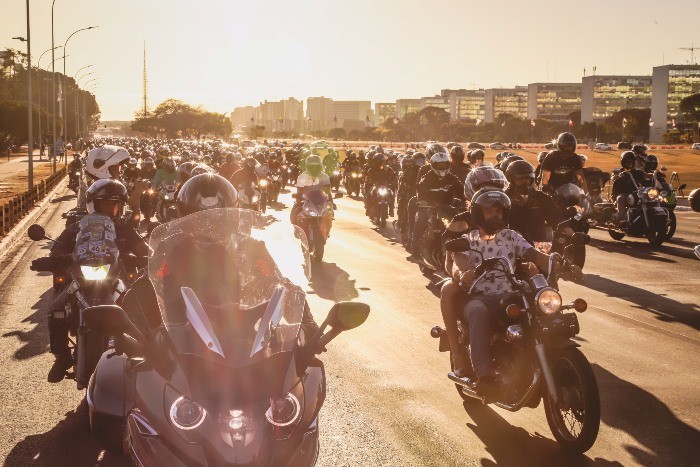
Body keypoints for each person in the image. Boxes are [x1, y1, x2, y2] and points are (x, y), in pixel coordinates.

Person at [447, 189, 551, 397]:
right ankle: (485, 376)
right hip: (481, 297)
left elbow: (532, 253)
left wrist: (554, 262)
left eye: (499, 211)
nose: (496, 215)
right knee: (477, 311)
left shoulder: (511, 236)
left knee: (540, 307)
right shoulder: (469, 240)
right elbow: (458, 263)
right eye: (490, 211)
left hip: (511, 294)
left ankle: (535, 361)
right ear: (478, 214)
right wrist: (463, 273)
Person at [46, 179, 149, 383]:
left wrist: (148, 257)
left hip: (115, 278)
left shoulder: (124, 227)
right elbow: (58, 247)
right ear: (94, 204)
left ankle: (142, 356)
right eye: (106, 203)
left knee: (138, 309)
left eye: (115, 203)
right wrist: (54, 258)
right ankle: (62, 357)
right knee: (56, 310)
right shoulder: (77, 227)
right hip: (81, 278)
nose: (112, 208)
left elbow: (144, 250)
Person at [411, 151, 465, 255]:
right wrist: (422, 200)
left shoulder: (452, 178)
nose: (442, 167)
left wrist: (465, 200)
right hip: (430, 207)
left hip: (447, 207)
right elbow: (420, 190)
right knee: (421, 221)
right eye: (439, 165)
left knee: (461, 223)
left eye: (444, 164)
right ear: (433, 165)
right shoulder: (426, 178)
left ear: (448, 165)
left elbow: (461, 190)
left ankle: (463, 247)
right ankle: (415, 246)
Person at [504, 160, 563, 243]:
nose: (524, 181)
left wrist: (566, 229)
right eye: (519, 178)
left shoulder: (541, 197)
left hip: (540, 244)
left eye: (527, 178)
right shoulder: (504, 198)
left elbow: (555, 217)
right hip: (513, 243)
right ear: (511, 179)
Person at [291, 155, 332, 225]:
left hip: (321, 202)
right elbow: (299, 193)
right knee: (294, 213)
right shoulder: (302, 177)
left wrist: (331, 202)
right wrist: (298, 202)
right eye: (311, 167)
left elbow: (328, 192)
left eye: (316, 166)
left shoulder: (324, 176)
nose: (314, 169)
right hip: (306, 202)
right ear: (307, 166)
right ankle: (298, 228)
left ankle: (327, 229)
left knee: (330, 213)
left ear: (320, 166)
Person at [612, 151, 648, 225]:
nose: (630, 162)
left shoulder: (637, 172)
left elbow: (646, 175)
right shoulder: (620, 172)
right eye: (628, 161)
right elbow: (613, 177)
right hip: (622, 193)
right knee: (621, 198)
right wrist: (618, 176)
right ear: (623, 161)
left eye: (632, 161)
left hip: (636, 193)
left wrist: (656, 174)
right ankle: (621, 217)